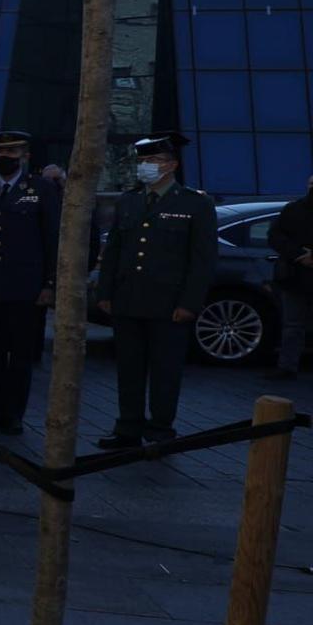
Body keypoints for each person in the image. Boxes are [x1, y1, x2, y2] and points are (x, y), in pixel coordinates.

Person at [95, 132, 215, 450]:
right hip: (128, 299)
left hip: (169, 303)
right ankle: (128, 427)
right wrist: (105, 293)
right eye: (143, 161)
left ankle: (161, 428)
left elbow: (202, 261)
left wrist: (189, 303)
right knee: (129, 368)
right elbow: (115, 251)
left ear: (172, 165)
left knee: (165, 370)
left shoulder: (195, 203)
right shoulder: (130, 200)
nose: (147, 166)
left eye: (154, 161)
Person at [0, 130, 60, 437]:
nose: (4, 157)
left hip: (25, 287)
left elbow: (51, 239)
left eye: (12, 152)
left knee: (20, 355)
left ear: (25, 155)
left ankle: (14, 414)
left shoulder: (42, 189)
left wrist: (49, 283)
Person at [265, 173, 313, 381]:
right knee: (293, 324)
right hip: (296, 276)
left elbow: (276, 236)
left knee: (293, 325)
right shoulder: (293, 209)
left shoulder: (293, 208)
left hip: (295, 273)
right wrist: (300, 255)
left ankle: (287, 367)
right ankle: (287, 366)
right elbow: (275, 236)